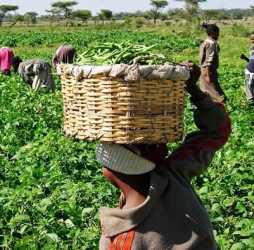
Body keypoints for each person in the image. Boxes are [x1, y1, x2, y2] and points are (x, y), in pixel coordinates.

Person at [96, 62, 231, 249]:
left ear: (112, 167)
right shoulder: (173, 174)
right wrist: (193, 90)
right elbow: (218, 131)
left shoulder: (119, 240)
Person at [199, 23, 227, 103]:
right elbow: (209, 61)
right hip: (208, 72)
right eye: (217, 33)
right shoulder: (211, 44)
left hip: (203, 71)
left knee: (205, 92)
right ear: (212, 32)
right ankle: (222, 107)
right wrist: (208, 76)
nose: (218, 35)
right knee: (218, 95)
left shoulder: (205, 42)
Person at [239, 31, 254, 103]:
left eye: (253, 39)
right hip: (249, 71)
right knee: (249, 88)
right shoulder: (252, 48)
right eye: (251, 39)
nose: (252, 41)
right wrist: (245, 58)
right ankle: (250, 102)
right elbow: (251, 61)